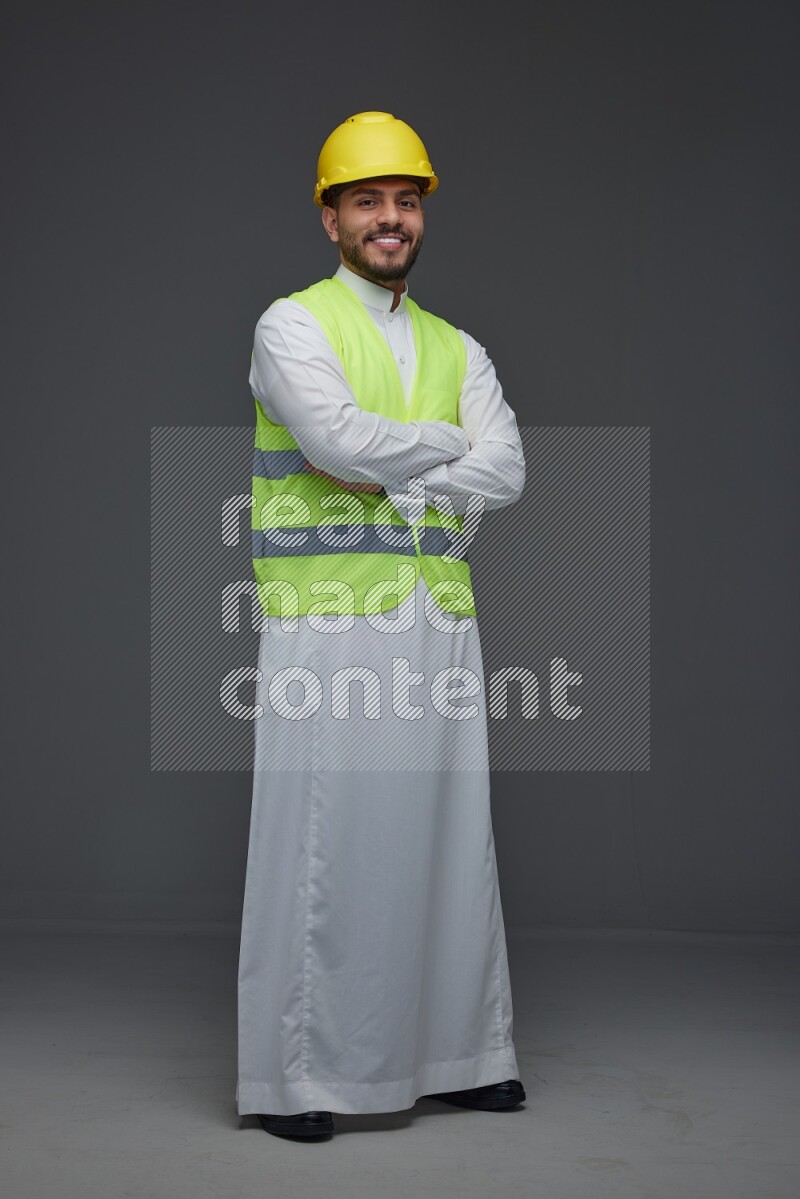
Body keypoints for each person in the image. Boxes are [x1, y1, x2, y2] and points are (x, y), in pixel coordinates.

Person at [237, 111, 527, 1140]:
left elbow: (509, 467)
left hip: (437, 621)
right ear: (329, 217)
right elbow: (328, 437)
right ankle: (300, 1074)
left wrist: (387, 459)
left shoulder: (459, 343)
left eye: (405, 201)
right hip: (328, 626)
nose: (389, 218)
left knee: (448, 838)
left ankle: (462, 1053)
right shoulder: (293, 325)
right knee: (324, 844)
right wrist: (442, 450)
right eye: (366, 200)